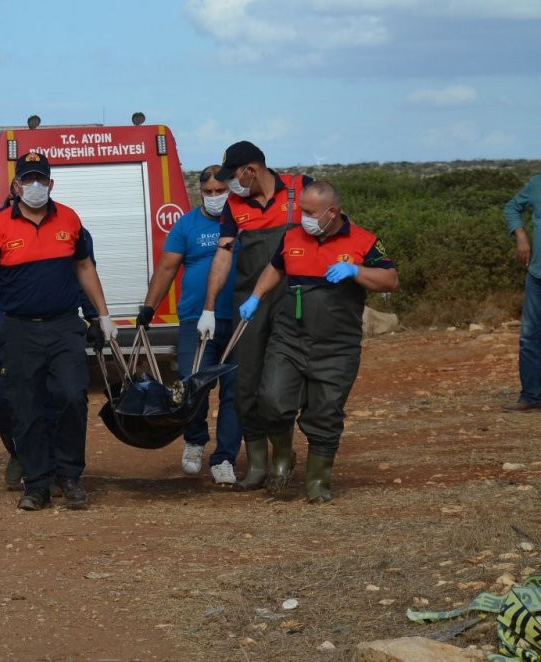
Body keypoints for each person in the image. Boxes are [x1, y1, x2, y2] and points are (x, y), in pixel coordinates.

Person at [0, 152, 116, 511]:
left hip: (63, 326)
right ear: (16, 186)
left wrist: (102, 315)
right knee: (24, 406)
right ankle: (37, 483)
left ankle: (70, 476)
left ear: (51, 184)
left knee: (73, 397)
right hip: (18, 330)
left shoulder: (70, 219)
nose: (35, 186)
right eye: (28, 180)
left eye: (40, 179)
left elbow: (85, 268)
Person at [239, 181, 398, 502]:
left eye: (310, 213)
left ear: (332, 212)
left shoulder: (365, 241)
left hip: (337, 347)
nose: (304, 218)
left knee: (325, 413)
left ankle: (317, 483)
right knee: (271, 399)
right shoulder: (291, 236)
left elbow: (391, 280)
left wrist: (355, 271)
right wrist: (256, 296)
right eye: (302, 211)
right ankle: (283, 456)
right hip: (289, 339)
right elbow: (275, 269)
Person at [199, 141, 311, 491]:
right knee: (245, 386)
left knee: (278, 386)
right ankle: (258, 464)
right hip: (250, 303)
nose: (231, 185)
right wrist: (209, 306)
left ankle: (282, 459)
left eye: (234, 177)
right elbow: (223, 255)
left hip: (294, 301)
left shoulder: (300, 189)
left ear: (251, 170)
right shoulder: (234, 205)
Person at [136, 165, 242, 484]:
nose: (214, 198)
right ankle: (195, 442)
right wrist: (148, 307)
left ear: (231, 190)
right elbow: (167, 268)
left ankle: (224, 458)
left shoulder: (245, 223)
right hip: (196, 319)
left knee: (235, 392)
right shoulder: (187, 226)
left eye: (220, 192)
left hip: (239, 320)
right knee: (191, 384)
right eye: (207, 192)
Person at [502, 175, 541, 412]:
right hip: (537, 275)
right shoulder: (537, 183)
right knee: (529, 337)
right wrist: (521, 235)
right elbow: (512, 207)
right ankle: (531, 396)